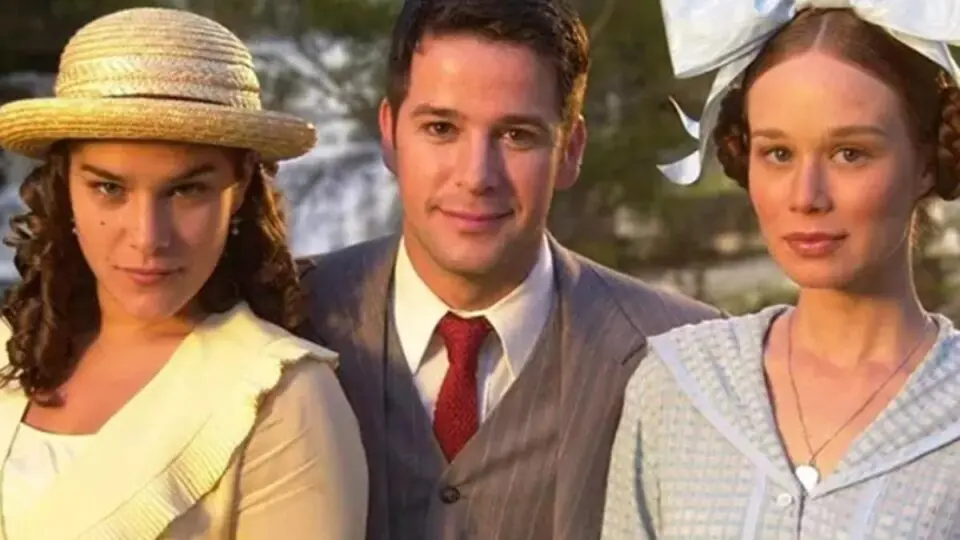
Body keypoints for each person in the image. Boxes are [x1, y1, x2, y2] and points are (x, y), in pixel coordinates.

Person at [298, 0, 721, 538]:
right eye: (441, 128)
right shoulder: (289, 315)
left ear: (571, 150)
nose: (477, 175)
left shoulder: (682, 355)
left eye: (517, 135)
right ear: (390, 133)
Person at [0, 7, 367, 539]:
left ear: (239, 188)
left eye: (186, 190)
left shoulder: (282, 402)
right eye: (109, 188)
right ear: (65, 186)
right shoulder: (9, 346)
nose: (148, 236)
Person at [602, 3, 960, 539]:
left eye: (849, 153)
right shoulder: (676, 386)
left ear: (926, 163)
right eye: (778, 154)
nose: (806, 196)